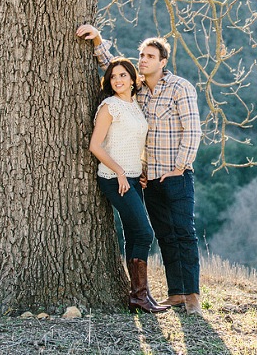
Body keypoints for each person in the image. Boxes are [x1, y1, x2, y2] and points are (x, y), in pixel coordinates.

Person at [78, 24, 203, 314]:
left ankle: (192, 295)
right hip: (147, 179)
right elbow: (114, 70)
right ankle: (176, 293)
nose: (144, 60)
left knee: (184, 233)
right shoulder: (138, 92)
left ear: (162, 62)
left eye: (150, 56)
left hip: (176, 175)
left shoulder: (180, 87)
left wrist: (179, 167)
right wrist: (97, 39)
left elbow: (192, 131)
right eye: (141, 55)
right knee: (164, 235)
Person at [88, 58, 167, 313]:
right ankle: (139, 294)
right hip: (114, 179)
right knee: (144, 233)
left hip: (133, 178)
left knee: (135, 234)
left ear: (133, 79)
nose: (118, 80)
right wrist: (120, 171)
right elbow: (95, 146)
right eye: (113, 77)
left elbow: (132, 142)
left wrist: (140, 170)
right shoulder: (109, 106)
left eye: (123, 75)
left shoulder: (134, 104)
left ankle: (139, 296)